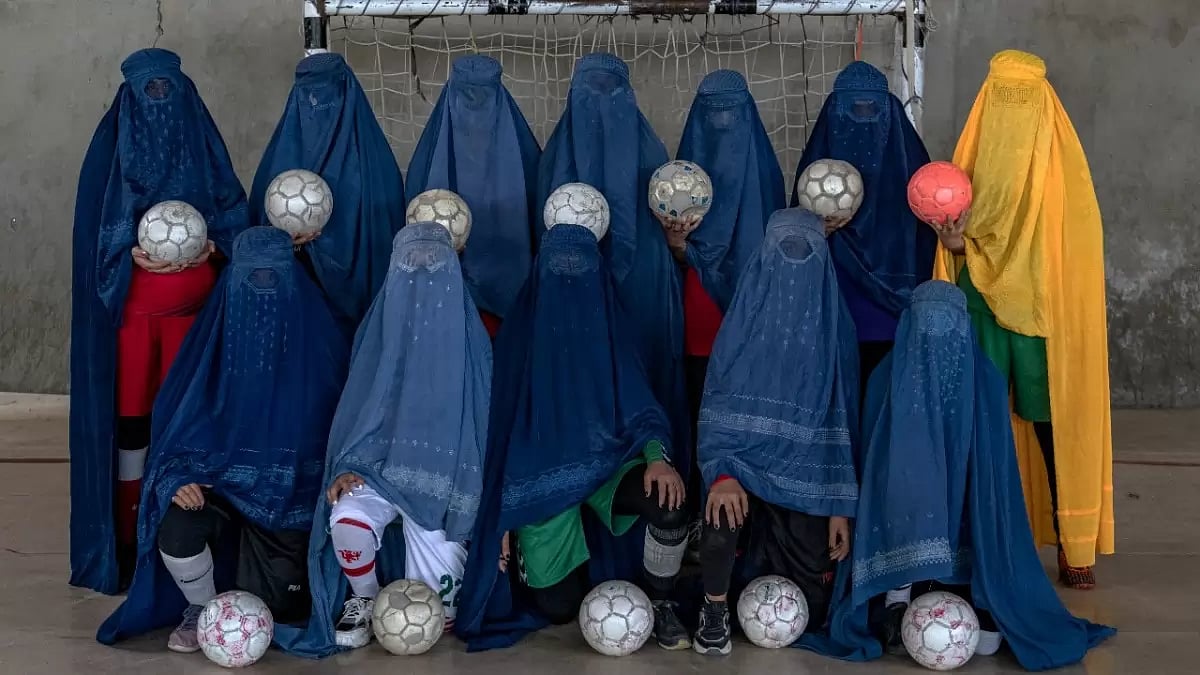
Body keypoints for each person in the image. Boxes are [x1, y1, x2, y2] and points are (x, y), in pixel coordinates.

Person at [802, 280, 1114, 671]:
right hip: (902, 523)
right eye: (925, 325)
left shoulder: (983, 381)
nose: (935, 338)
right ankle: (898, 596)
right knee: (905, 482)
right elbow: (872, 473)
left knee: (985, 645)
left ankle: (967, 591)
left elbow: (995, 483)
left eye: (945, 325)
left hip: (967, 537)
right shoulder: (886, 380)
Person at [96, 226, 349, 654]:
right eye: (251, 282)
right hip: (223, 497)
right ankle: (200, 608)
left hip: (291, 506)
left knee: (279, 609)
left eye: (274, 280)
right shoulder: (208, 350)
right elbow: (176, 436)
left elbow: (343, 442)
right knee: (177, 524)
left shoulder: (325, 352)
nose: (261, 295)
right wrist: (176, 478)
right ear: (231, 285)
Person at [456, 204, 691, 653]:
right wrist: (501, 517)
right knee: (558, 607)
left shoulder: (611, 326)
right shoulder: (519, 337)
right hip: (540, 478)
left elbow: (642, 404)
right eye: (557, 265)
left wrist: (658, 459)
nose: (569, 275)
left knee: (669, 505)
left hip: (610, 463)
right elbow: (500, 433)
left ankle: (661, 603)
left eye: (579, 265)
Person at [930, 50, 1113, 589]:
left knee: (1050, 420)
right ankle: (971, 537)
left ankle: (1071, 538)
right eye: (1002, 96)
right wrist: (954, 242)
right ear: (987, 101)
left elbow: (1074, 252)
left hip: (1040, 312)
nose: (1011, 109)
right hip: (980, 300)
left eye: (1023, 98)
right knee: (977, 416)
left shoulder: (1067, 176)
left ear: (1043, 104)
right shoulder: (971, 162)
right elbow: (961, 225)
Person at [70, 47, 248, 594]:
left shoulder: (205, 152)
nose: (159, 107)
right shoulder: (110, 160)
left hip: (194, 327)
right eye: (148, 94)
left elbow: (237, 218)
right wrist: (126, 254)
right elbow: (94, 243)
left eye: (168, 93)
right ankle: (129, 543)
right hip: (133, 326)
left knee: (191, 423)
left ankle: (191, 543)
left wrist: (215, 245)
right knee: (133, 430)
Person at [273, 221, 492, 657]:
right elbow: (359, 414)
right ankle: (366, 597)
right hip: (380, 468)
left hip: (447, 479)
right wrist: (349, 466)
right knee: (347, 516)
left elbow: (482, 424)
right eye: (411, 268)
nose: (422, 282)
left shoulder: (473, 338)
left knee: (439, 614)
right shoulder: (379, 334)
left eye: (435, 268)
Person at [692, 208, 860, 656]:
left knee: (816, 602)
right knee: (721, 511)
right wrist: (723, 473)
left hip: (807, 478)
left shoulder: (835, 330)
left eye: (806, 254)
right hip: (741, 464)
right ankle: (714, 612)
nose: (793, 266)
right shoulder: (740, 330)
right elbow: (717, 411)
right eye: (783, 252)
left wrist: (838, 507)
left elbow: (840, 421)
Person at [537, 52, 689, 464]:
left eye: (613, 93)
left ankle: (657, 486)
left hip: (645, 292)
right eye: (590, 94)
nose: (601, 107)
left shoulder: (654, 158)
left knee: (647, 380)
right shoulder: (554, 158)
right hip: (575, 293)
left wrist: (675, 245)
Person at [666, 68, 787, 508]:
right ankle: (702, 522)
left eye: (731, 116)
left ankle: (739, 529)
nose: (721, 126)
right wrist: (677, 244)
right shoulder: (679, 180)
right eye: (711, 115)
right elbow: (677, 262)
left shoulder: (767, 177)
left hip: (751, 329)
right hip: (698, 328)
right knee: (698, 421)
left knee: (749, 426)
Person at [791, 61, 936, 391]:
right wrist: (817, 233)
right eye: (850, 112)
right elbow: (787, 248)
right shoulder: (814, 173)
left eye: (871, 111)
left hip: (895, 319)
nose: (860, 122)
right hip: (828, 316)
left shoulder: (912, 171)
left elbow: (930, 247)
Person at [250, 52, 404, 336]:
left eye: (328, 96)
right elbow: (254, 243)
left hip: (362, 307)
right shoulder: (280, 162)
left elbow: (385, 239)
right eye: (308, 97)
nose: (318, 106)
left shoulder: (376, 167)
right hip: (300, 309)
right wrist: (287, 244)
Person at [406, 54, 541, 338]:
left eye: (484, 97)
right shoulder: (428, 162)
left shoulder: (531, 162)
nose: (474, 109)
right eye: (465, 98)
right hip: (441, 308)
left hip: (514, 307)